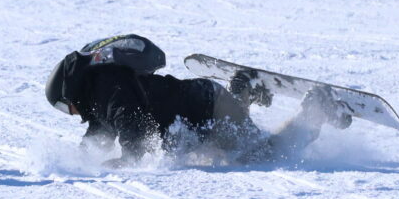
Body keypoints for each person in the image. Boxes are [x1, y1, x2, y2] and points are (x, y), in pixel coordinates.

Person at [44, 41, 350, 166]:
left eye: (62, 107)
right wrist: (79, 161)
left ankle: (318, 107)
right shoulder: (100, 97)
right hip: (205, 106)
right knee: (228, 146)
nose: (69, 113)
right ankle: (244, 89)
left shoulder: (107, 89)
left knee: (262, 157)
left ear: (68, 93)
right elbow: (99, 134)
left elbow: (131, 122)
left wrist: (128, 160)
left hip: (208, 108)